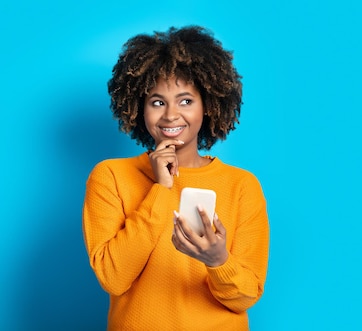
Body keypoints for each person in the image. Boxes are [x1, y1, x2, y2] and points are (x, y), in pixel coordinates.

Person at [82, 26, 270, 331]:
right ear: (139, 108)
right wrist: (161, 189)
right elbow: (113, 278)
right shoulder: (110, 177)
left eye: (185, 101)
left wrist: (218, 260)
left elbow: (245, 296)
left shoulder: (242, 186)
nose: (171, 115)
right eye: (157, 102)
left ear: (207, 105)